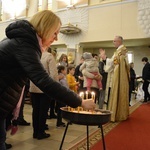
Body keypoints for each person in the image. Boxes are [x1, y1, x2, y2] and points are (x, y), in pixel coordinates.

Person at [0, 10, 95, 149]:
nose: (56, 38)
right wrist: (79, 101)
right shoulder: (25, 44)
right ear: (45, 27)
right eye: (55, 33)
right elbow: (44, 80)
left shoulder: (23, 41)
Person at [100, 36, 130, 122]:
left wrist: (105, 58)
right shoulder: (121, 51)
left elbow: (114, 63)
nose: (113, 42)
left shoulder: (120, 51)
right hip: (118, 76)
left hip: (118, 78)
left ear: (119, 41)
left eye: (114, 41)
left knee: (114, 93)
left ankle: (115, 114)